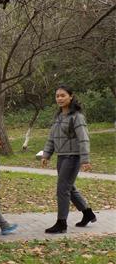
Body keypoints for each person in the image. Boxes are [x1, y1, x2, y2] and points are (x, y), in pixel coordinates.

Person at [42, 85, 96, 234]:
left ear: (70, 97)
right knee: (69, 188)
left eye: (63, 95)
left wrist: (85, 160)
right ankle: (87, 213)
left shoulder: (77, 117)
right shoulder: (58, 117)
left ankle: (61, 223)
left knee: (62, 189)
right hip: (61, 156)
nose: (59, 98)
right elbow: (52, 137)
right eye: (57, 96)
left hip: (73, 157)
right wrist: (46, 154)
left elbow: (84, 139)